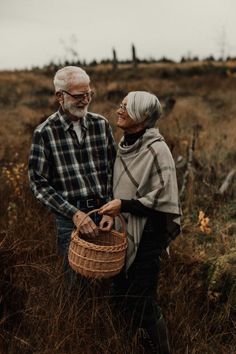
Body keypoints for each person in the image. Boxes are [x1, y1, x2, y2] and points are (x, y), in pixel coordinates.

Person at [98, 91, 182, 354]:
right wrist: (114, 213)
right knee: (119, 296)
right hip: (124, 232)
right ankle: (131, 345)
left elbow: (164, 203)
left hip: (149, 235)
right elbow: (120, 189)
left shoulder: (158, 150)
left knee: (141, 300)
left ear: (143, 117)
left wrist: (123, 206)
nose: (119, 110)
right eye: (120, 105)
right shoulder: (123, 145)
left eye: (126, 107)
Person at [28, 66, 116, 281]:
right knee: (76, 282)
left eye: (89, 94)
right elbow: (39, 184)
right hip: (70, 219)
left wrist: (110, 209)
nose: (85, 100)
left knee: (111, 279)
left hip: (104, 211)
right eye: (78, 96)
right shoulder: (45, 133)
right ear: (60, 96)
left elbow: (114, 170)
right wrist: (74, 214)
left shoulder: (101, 125)